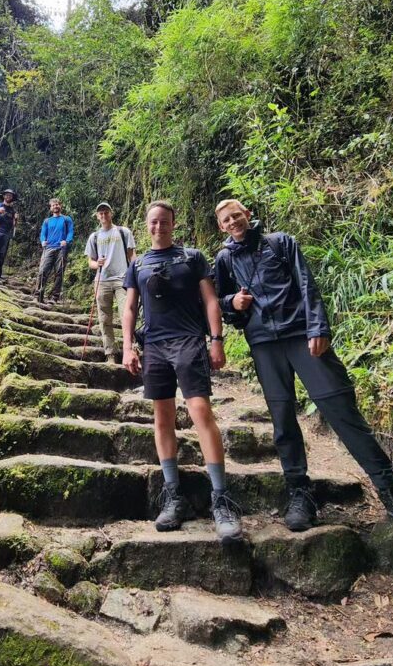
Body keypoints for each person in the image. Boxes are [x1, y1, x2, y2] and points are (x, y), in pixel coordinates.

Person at [212, 198, 393, 544]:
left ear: (248, 214)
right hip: (263, 345)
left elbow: (307, 284)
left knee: (340, 408)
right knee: (282, 418)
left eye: (237, 215)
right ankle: (300, 492)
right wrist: (233, 303)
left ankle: (392, 493)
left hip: (302, 335)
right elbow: (223, 303)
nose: (233, 222)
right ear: (221, 227)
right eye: (226, 220)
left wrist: (318, 328)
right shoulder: (225, 259)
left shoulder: (280, 243)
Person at [123, 200, 242, 543]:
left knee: (200, 411)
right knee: (162, 417)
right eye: (153, 222)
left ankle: (221, 498)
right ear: (147, 226)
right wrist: (128, 346)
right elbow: (131, 307)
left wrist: (216, 339)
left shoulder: (192, 257)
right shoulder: (139, 264)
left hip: (189, 340)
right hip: (155, 346)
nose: (158, 226)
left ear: (173, 224)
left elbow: (209, 300)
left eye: (164, 221)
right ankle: (173, 495)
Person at [84, 202, 136, 364]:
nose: (104, 215)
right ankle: (110, 354)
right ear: (97, 216)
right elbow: (90, 263)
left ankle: (132, 349)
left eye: (106, 212)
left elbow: (132, 256)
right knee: (104, 318)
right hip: (102, 280)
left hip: (123, 279)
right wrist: (97, 263)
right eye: (101, 213)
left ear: (111, 213)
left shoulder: (123, 232)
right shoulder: (94, 237)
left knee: (126, 314)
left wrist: (136, 275)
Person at [37, 198, 74, 303]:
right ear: (50, 208)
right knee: (43, 271)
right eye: (53, 205)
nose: (55, 206)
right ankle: (39, 293)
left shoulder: (67, 219)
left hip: (61, 248)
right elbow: (43, 233)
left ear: (60, 206)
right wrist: (43, 240)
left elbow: (70, 232)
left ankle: (54, 297)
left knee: (59, 272)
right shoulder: (47, 221)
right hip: (48, 248)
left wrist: (66, 241)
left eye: (57, 204)